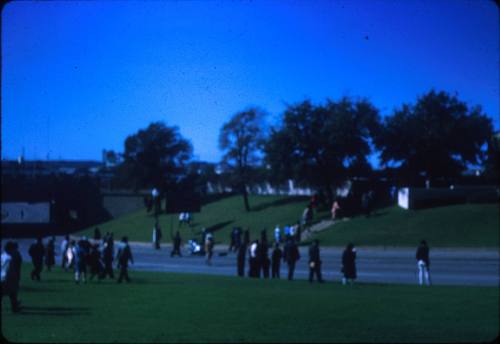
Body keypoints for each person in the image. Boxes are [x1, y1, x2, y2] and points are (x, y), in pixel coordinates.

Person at [1, 241, 21, 313]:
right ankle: (14, 308)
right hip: (9, 278)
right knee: (12, 294)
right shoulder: (12, 256)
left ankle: (15, 308)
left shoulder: (3, 255)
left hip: (4, 278)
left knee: (8, 294)